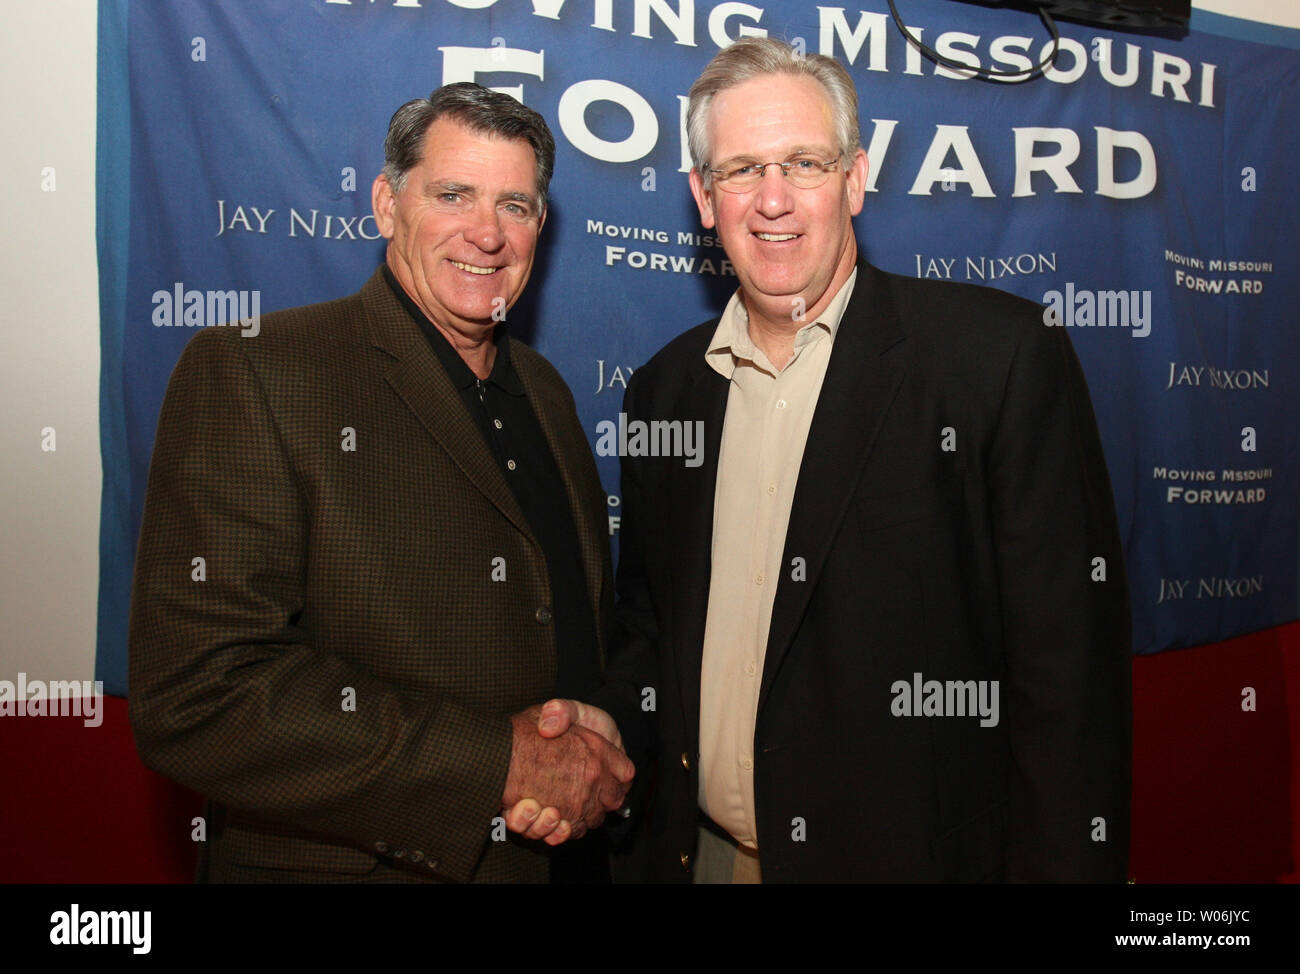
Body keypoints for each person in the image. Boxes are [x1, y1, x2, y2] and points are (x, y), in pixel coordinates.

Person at [581, 38, 1132, 882]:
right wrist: (607, 724)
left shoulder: (997, 359)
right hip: (706, 858)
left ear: (856, 178)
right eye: (740, 171)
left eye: (805, 162)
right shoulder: (663, 392)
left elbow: (1069, 682)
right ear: (701, 196)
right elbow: (652, 620)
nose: (774, 200)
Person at [128, 83, 635, 884]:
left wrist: (593, 730)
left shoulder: (546, 391)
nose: (486, 233)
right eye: (452, 194)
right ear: (385, 204)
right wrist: (494, 765)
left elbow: (568, 631)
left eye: (516, 205)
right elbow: (200, 692)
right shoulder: (258, 369)